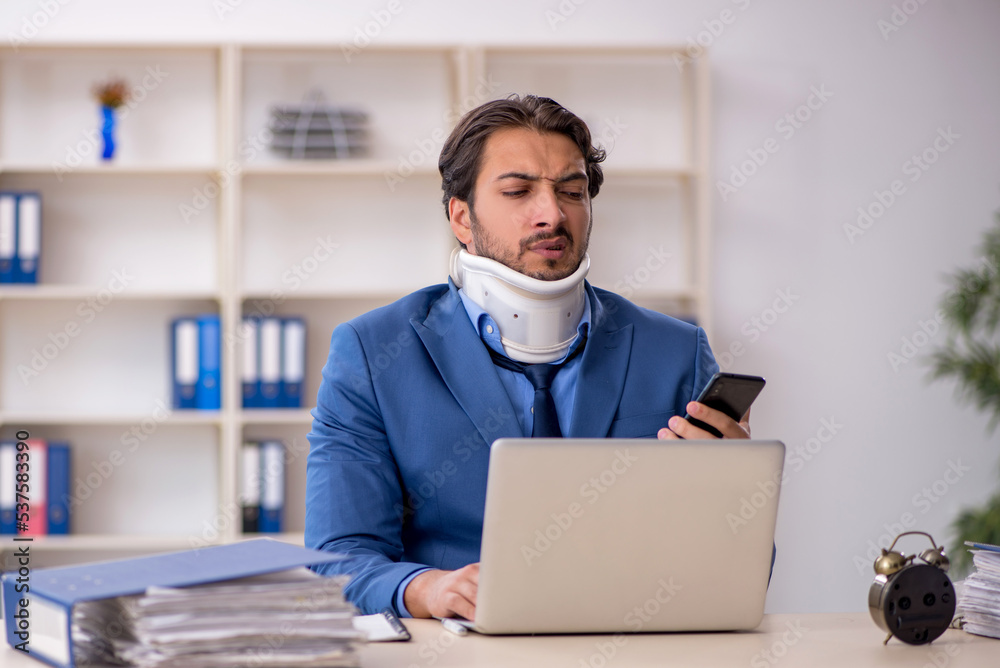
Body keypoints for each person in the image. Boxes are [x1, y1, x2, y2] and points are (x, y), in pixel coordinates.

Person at [305, 94, 751, 621]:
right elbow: (338, 562)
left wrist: (735, 492)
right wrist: (427, 590)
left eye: (572, 191)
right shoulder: (374, 353)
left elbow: (741, 572)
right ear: (462, 218)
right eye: (518, 191)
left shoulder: (676, 351)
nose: (553, 213)